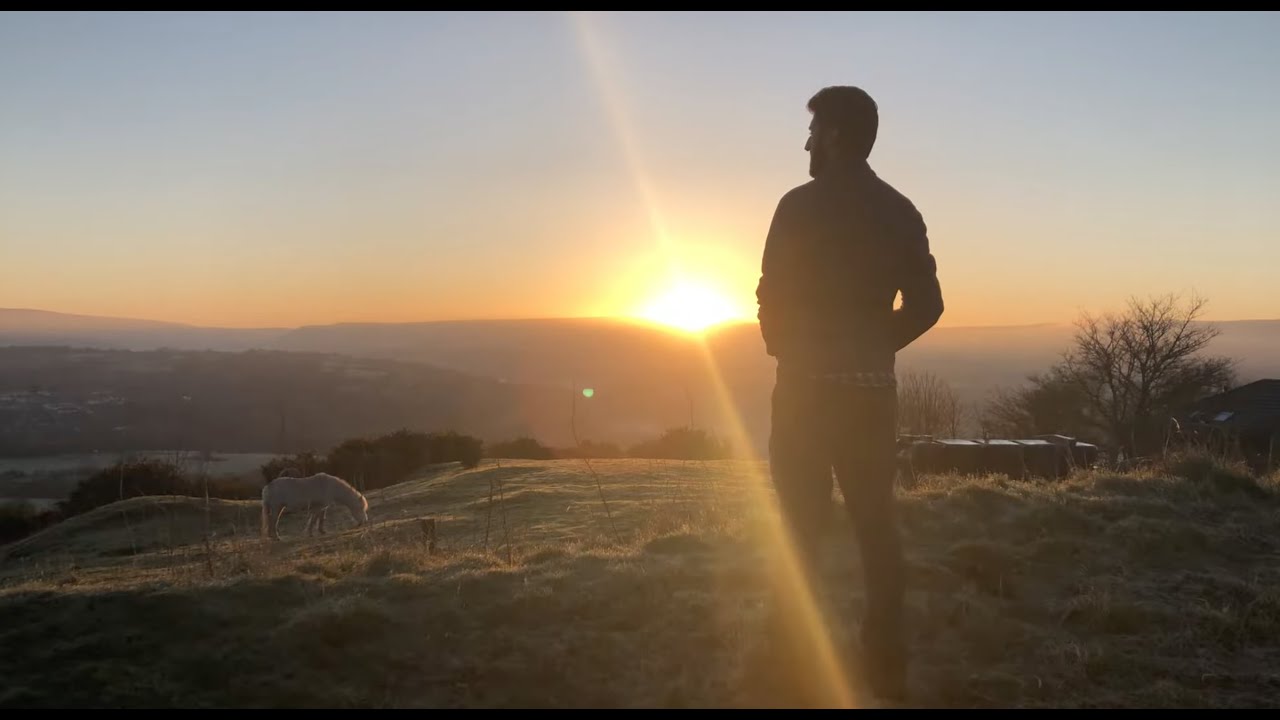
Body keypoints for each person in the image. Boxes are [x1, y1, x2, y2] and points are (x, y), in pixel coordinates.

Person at [754, 85, 944, 704]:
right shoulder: (900, 210)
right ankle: (885, 667)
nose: (806, 141)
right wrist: (874, 347)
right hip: (869, 398)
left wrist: (784, 347)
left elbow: (769, 292)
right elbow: (930, 306)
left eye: (812, 130)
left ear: (834, 134)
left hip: (805, 395)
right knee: (876, 529)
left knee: (800, 530)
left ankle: (792, 663)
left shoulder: (797, 207)